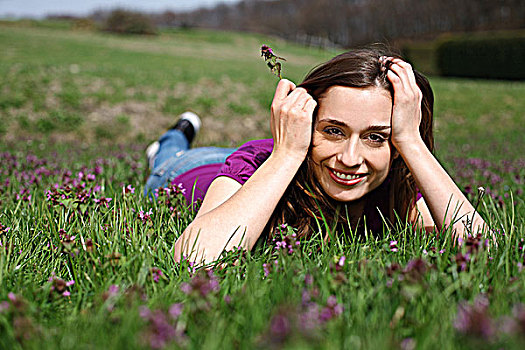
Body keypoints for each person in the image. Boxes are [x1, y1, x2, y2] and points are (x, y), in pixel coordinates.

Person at [145, 47, 488, 264]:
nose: (351, 158)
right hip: (189, 170)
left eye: (375, 137)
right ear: (308, 125)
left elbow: (481, 248)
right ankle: (175, 137)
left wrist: (412, 141)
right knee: (171, 152)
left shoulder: (395, 179)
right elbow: (196, 258)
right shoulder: (266, 159)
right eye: (333, 131)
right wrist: (286, 154)